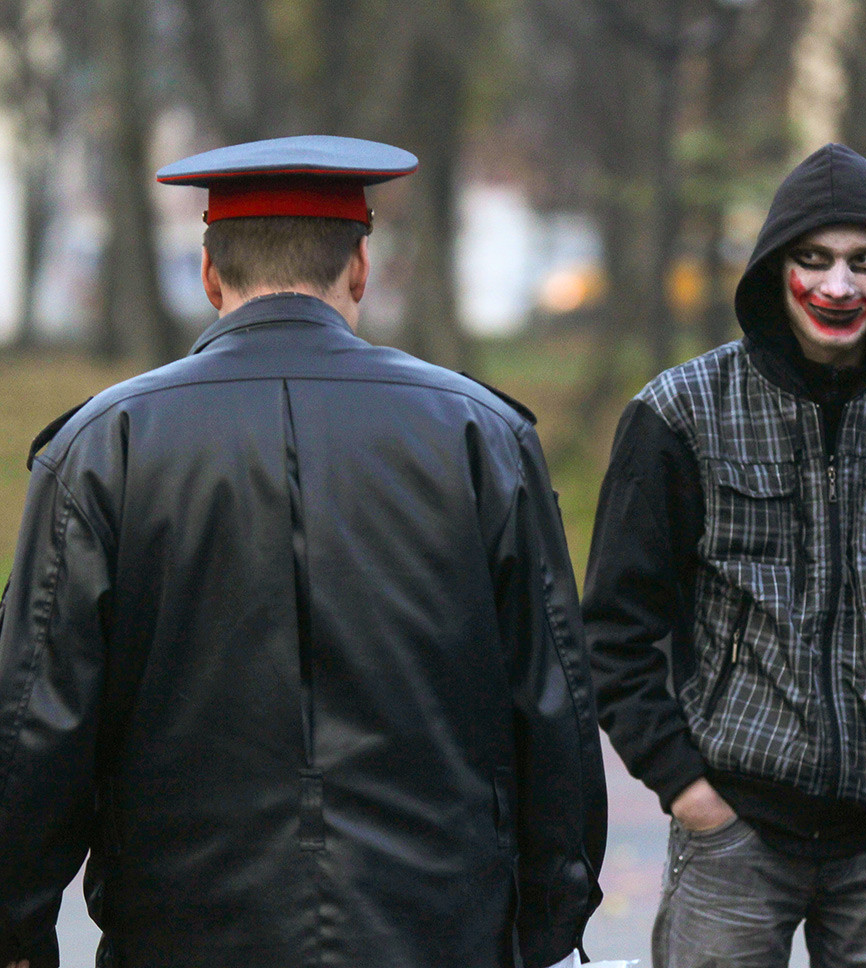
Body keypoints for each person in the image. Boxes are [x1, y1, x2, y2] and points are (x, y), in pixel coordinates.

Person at [0, 135, 605, 968]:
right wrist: (546, 920)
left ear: (211, 277)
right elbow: (554, 699)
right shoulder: (479, 434)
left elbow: (36, 718)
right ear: (360, 267)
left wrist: (19, 930)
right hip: (433, 925)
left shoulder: (107, 444)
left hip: (184, 928)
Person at [583, 142, 866, 968]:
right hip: (731, 836)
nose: (838, 287)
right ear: (775, 269)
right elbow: (613, 626)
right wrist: (686, 788)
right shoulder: (678, 414)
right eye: (813, 260)